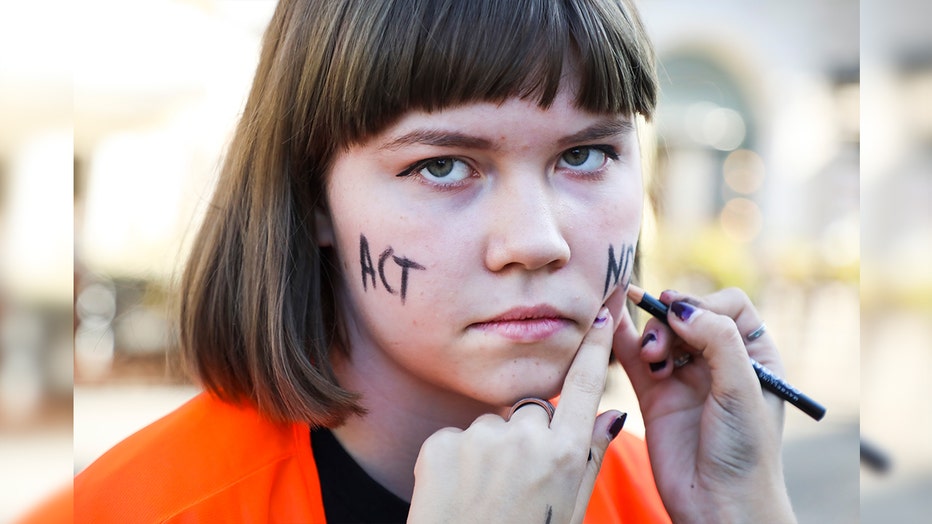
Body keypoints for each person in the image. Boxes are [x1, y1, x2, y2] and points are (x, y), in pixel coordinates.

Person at [73, 0, 797, 522]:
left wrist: (747, 512)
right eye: (444, 166)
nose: (537, 240)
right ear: (312, 196)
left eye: (584, 155)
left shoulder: (660, 500)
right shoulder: (130, 509)